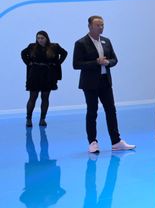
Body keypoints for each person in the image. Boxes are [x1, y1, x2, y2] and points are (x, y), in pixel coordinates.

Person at [73, 16, 135, 153]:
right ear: (89, 26)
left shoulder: (107, 41)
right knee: (92, 111)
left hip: (105, 81)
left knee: (111, 110)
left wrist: (108, 63)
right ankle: (93, 142)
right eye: (97, 25)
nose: (101, 27)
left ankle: (116, 141)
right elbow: (76, 64)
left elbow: (114, 59)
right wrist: (96, 62)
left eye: (102, 25)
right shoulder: (81, 43)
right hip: (89, 83)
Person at [21, 30, 68, 127]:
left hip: (48, 75)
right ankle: (28, 119)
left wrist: (58, 63)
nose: (40, 40)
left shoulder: (54, 46)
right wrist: (28, 63)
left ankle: (42, 119)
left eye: (42, 38)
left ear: (46, 38)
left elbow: (64, 53)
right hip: (35, 74)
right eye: (38, 38)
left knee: (45, 97)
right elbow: (23, 53)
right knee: (33, 97)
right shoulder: (32, 46)